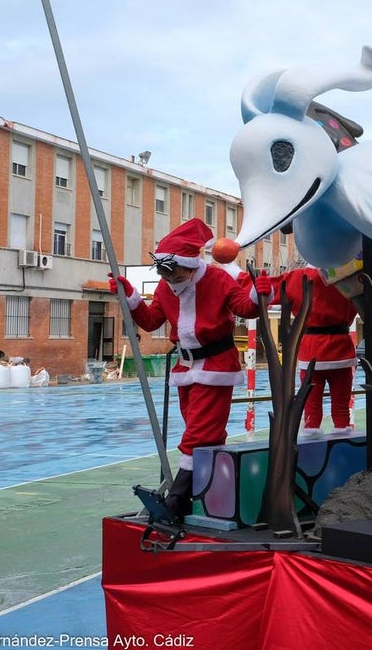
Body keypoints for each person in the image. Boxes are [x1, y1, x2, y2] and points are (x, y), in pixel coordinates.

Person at [108, 218, 270, 520]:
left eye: (172, 271)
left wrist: (258, 293)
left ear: (190, 263)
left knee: (198, 434)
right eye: (163, 272)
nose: (167, 278)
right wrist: (130, 298)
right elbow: (152, 319)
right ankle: (211, 493)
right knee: (207, 435)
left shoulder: (219, 280)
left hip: (216, 367)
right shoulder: (167, 285)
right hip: (185, 368)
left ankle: (178, 498)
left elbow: (246, 308)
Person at [271, 266, 359, 434]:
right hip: (342, 350)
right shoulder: (349, 273)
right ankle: (342, 444)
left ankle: (310, 448)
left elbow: (268, 290)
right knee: (341, 410)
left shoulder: (297, 277)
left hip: (311, 351)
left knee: (311, 411)